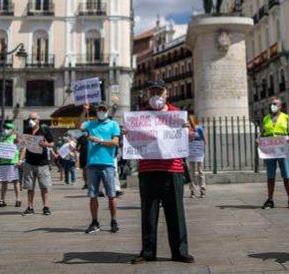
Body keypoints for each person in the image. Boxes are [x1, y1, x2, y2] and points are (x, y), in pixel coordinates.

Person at [129, 79, 196, 264]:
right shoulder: (139, 116)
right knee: (148, 214)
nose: (156, 96)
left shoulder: (177, 114)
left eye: (159, 91)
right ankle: (148, 252)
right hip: (148, 169)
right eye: (152, 92)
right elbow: (130, 139)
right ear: (147, 95)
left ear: (167, 93)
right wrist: (127, 134)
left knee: (176, 213)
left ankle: (180, 251)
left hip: (172, 170)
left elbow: (191, 136)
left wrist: (187, 132)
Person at [78, 101, 122, 233]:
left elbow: (115, 142)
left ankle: (114, 221)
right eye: (99, 109)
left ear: (107, 110)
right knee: (93, 195)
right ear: (96, 111)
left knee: (111, 194)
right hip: (92, 164)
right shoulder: (90, 123)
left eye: (103, 109)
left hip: (107, 164)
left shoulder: (113, 124)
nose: (101, 111)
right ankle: (94, 221)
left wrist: (100, 141)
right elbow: (78, 125)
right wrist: (84, 111)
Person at [257, 97, 289, 209]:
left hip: (283, 151)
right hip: (270, 152)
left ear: (280, 106)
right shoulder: (265, 119)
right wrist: (258, 139)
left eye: (274, 104)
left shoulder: (286, 118)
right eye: (271, 104)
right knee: (270, 176)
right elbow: (262, 134)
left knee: (287, 175)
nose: (272, 106)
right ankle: (270, 200)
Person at [21, 112, 54, 215]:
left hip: (42, 163)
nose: (31, 121)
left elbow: (52, 144)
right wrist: (20, 159)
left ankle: (46, 207)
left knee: (44, 186)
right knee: (29, 187)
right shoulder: (27, 130)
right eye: (30, 118)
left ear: (38, 120)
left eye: (34, 119)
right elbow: (23, 145)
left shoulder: (45, 130)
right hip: (29, 162)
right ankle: (30, 207)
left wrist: (46, 144)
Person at [0, 121, 23, 208]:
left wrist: (20, 160)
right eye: (5, 128)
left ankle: (18, 199)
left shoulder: (15, 138)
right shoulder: (2, 138)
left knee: (15, 181)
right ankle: (2, 200)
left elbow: (22, 149)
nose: (5, 130)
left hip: (13, 163)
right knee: (4, 182)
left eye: (7, 128)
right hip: (3, 163)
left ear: (12, 130)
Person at [188, 115, 206, 198]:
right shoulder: (188, 129)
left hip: (198, 151)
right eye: (189, 120)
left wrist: (202, 148)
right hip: (191, 152)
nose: (190, 121)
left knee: (200, 171)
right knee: (192, 172)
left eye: (191, 120)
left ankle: (202, 189)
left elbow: (204, 139)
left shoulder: (199, 128)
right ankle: (192, 190)